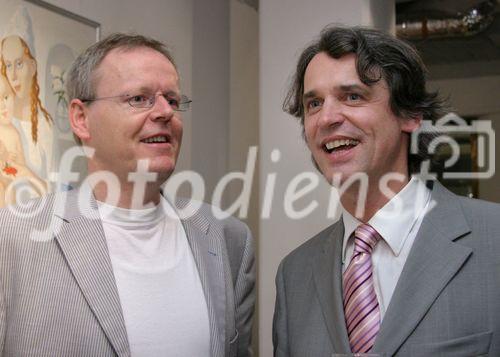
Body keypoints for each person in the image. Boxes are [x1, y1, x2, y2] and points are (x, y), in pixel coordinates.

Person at [0, 33, 255, 357]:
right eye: (139, 98)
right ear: (81, 118)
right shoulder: (11, 238)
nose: (165, 112)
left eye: (173, 100)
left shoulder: (227, 238)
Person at [273, 26, 500, 356]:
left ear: (410, 114)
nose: (327, 118)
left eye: (353, 96)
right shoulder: (293, 275)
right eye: (314, 103)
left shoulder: (494, 240)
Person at [1, 35, 54, 183]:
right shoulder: (5, 123)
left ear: (32, 66)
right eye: (8, 65)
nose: (13, 76)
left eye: (19, 64)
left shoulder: (46, 124)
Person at [0, 70, 47, 207]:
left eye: (6, 97)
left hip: (11, 183)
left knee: (11, 191)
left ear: (13, 97)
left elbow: (21, 165)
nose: (3, 106)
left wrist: (14, 163)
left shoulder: (15, 133)